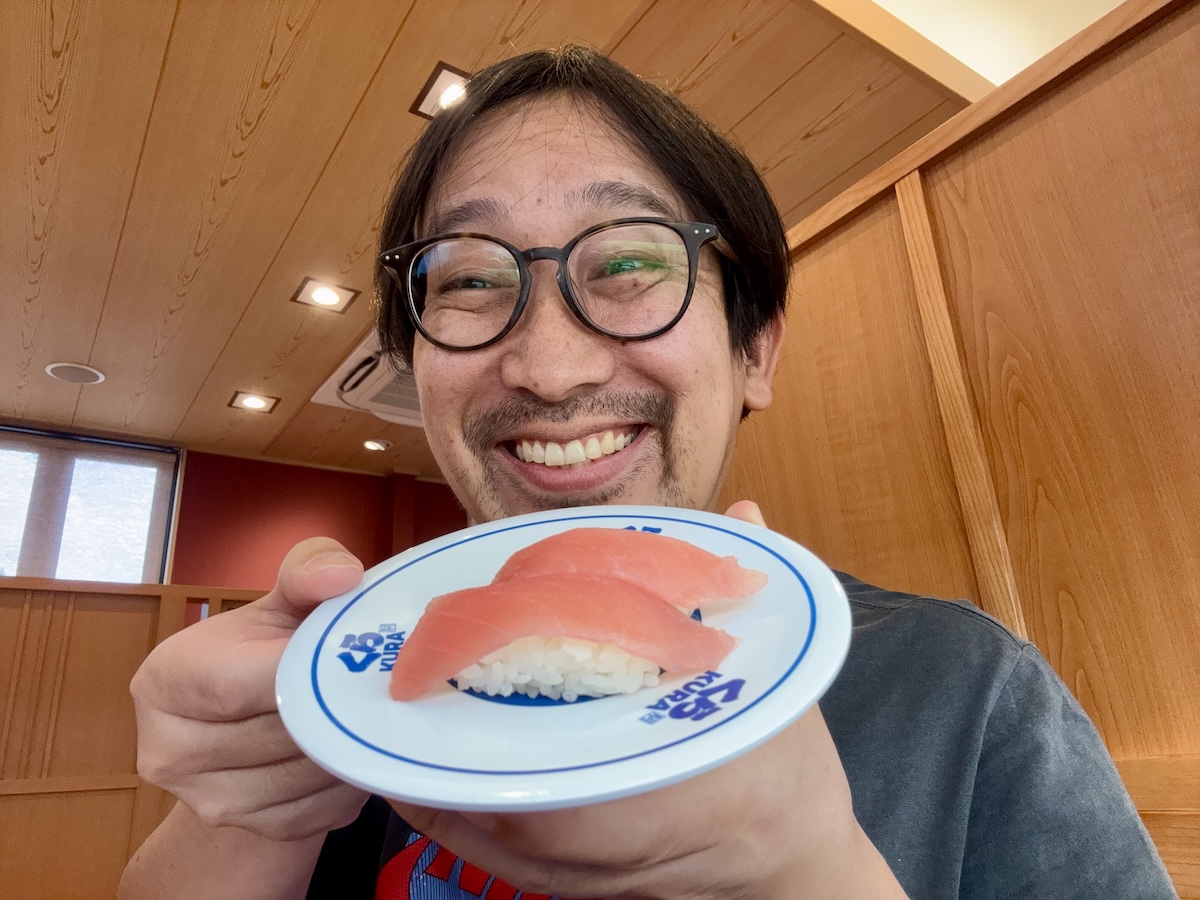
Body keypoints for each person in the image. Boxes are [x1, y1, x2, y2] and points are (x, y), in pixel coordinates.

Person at [119, 47, 1176, 900]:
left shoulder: (966, 691)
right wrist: (246, 815)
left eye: (629, 263)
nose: (549, 367)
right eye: (473, 281)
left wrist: (807, 872)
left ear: (754, 349)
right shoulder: (366, 690)